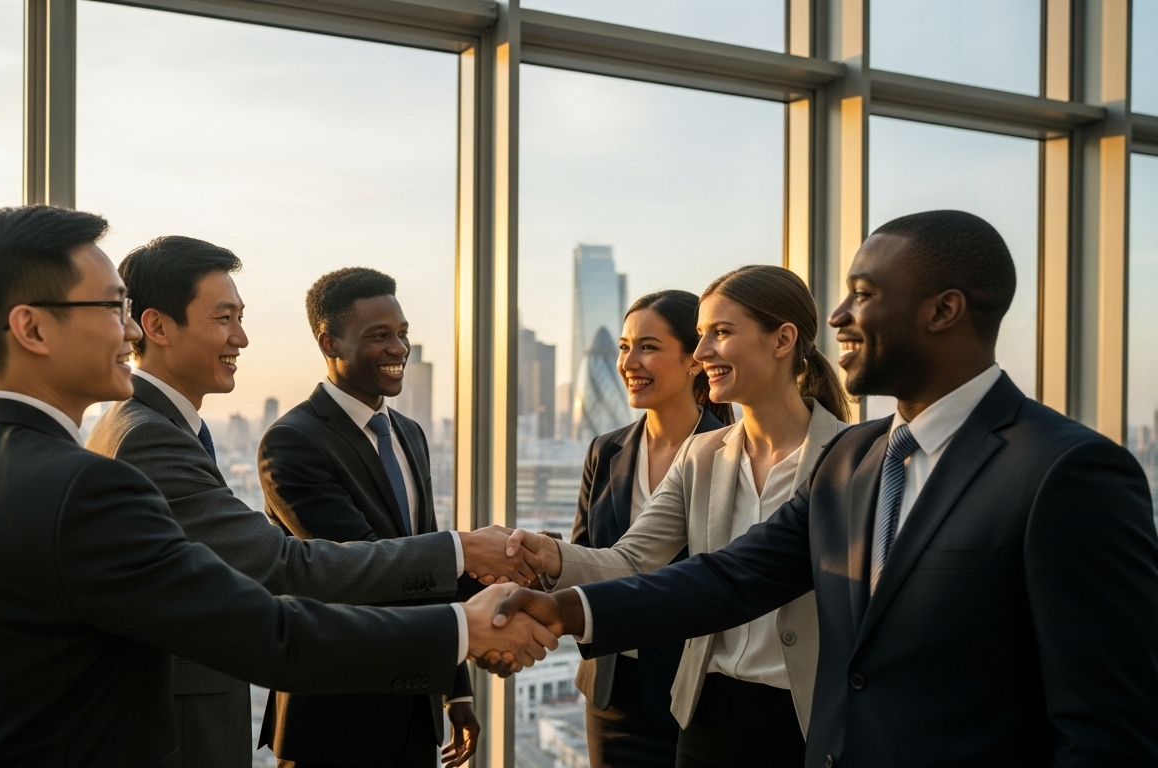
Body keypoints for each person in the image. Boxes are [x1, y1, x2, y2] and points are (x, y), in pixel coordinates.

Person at [0, 206, 556, 767]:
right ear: (33, 327)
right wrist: (458, 627)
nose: (130, 329)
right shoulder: (90, 485)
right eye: (112, 308)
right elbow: (271, 623)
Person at [491, 210, 1158, 766]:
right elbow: (730, 579)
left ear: (944, 311)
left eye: (864, 294)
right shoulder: (855, 462)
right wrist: (567, 609)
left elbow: (1107, 725)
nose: (837, 315)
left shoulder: (1066, 472)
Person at [87, 237, 532, 768]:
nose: (243, 338)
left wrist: (457, 672)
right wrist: (465, 562)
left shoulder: (159, 428)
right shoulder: (150, 437)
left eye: (241, 317)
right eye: (224, 318)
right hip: (212, 726)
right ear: (157, 327)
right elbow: (282, 567)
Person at [515, 269, 851, 767]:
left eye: (721, 333)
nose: (701, 354)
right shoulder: (701, 455)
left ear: (783, 340)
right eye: (700, 337)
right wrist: (550, 555)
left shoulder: (849, 458)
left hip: (804, 717)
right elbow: (633, 559)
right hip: (705, 716)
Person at [256, 268, 478, 768]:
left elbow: (423, 557)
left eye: (402, 334)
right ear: (329, 342)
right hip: (335, 719)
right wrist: (497, 582)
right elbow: (363, 570)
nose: (399, 348)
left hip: (415, 716)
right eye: (379, 336)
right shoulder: (293, 441)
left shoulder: (410, 433)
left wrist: (455, 690)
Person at [562, 290, 730, 767]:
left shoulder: (729, 452)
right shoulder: (605, 450)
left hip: (698, 692)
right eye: (623, 346)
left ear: (694, 360)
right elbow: (583, 553)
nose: (629, 362)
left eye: (648, 347)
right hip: (612, 693)